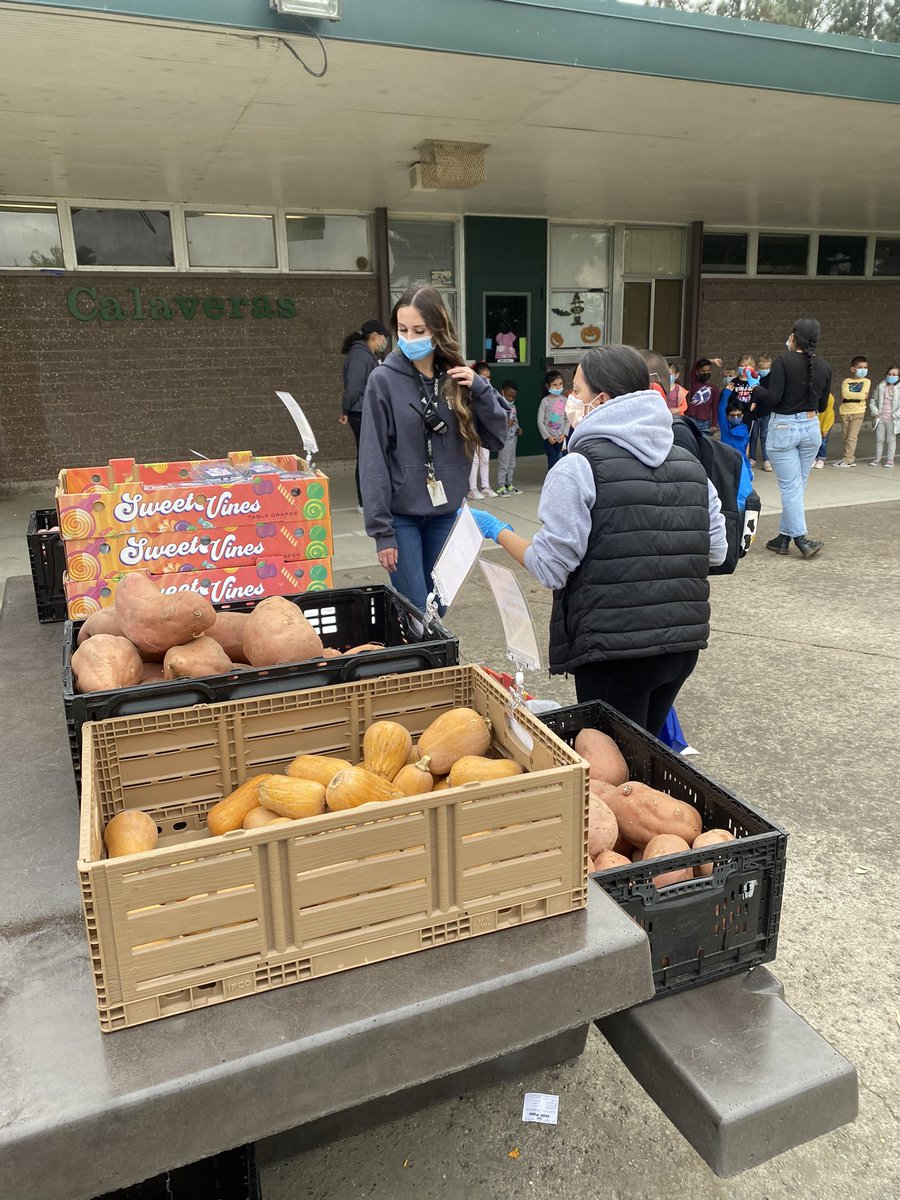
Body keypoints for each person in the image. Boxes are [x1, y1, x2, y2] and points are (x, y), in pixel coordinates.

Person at [468, 345, 727, 734]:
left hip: (612, 651)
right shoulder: (690, 464)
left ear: (600, 400)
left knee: (613, 770)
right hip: (682, 646)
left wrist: (497, 530)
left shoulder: (579, 466)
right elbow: (716, 551)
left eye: (576, 391)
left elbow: (550, 567)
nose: (570, 400)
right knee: (645, 759)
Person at [359, 286, 507, 612]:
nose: (409, 338)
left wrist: (480, 389)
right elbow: (372, 458)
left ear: (438, 330)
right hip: (402, 517)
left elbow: (495, 439)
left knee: (438, 608)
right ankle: (418, 662)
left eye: (419, 331)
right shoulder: (383, 380)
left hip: (446, 513)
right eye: (402, 330)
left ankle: (430, 661)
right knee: (415, 608)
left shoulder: (458, 377)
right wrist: (381, 532)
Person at [755, 318, 831, 559]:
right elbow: (821, 404)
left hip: (784, 428)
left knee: (790, 487)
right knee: (797, 486)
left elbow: (774, 398)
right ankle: (782, 538)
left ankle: (801, 539)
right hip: (811, 427)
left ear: (793, 337)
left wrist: (756, 389)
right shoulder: (824, 367)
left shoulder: (783, 361)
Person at [340, 318, 389, 513]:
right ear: (375, 336)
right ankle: (364, 501)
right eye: (383, 336)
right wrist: (345, 409)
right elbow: (353, 387)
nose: (385, 341)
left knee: (370, 456)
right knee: (367, 457)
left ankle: (369, 500)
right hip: (361, 412)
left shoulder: (365, 354)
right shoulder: (360, 356)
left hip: (364, 411)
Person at [834, 355, 870, 468]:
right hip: (845, 412)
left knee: (852, 437)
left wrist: (856, 396)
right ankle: (851, 457)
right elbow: (845, 394)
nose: (863, 370)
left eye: (865, 367)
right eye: (860, 367)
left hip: (858, 412)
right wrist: (859, 395)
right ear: (853, 369)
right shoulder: (846, 381)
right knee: (845, 437)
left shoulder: (866, 381)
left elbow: (864, 396)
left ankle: (848, 459)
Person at [467, 361, 497, 498]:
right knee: (474, 460)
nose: (486, 380)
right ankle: (472, 488)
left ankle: (486, 486)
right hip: (473, 430)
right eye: (483, 378)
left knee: (485, 459)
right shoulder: (469, 393)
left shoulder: (489, 393)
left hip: (485, 430)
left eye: (488, 377)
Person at [869, 364, 900, 468]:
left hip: (892, 419)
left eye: (894, 374)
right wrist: (876, 412)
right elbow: (873, 400)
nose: (891, 376)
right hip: (880, 417)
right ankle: (877, 459)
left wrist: (895, 414)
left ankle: (890, 460)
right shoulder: (881, 386)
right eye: (889, 374)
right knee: (879, 439)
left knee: (891, 440)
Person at [537, 370, 570, 468]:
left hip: (561, 438)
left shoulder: (564, 400)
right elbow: (540, 421)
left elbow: (567, 419)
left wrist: (564, 434)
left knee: (562, 461)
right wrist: (548, 437)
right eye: (555, 384)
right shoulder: (545, 401)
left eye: (560, 384)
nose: (558, 387)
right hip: (549, 439)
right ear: (548, 386)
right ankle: (552, 482)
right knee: (552, 462)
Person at [496, 379, 523, 494]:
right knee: (504, 463)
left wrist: (518, 428)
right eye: (508, 396)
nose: (511, 399)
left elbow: (515, 420)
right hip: (504, 439)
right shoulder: (499, 406)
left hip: (513, 437)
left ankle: (509, 484)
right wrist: (505, 424)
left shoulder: (513, 407)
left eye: (513, 397)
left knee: (512, 463)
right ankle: (501, 486)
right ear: (502, 392)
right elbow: (496, 423)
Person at [750, 353, 774, 471]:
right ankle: (752, 458)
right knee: (753, 435)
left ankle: (766, 459)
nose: (765, 370)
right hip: (755, 412)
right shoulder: (754, 379)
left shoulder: (772, 379)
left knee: (765, 436)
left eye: (767, 368)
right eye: (762, 368)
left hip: (767, 412)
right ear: (757, 368)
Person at [687, 358, 719, 433]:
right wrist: (712, 360)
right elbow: (696, 362)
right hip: (692, 419)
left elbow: (715, 408)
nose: (706, 373)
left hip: (705, 422)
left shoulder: (714, 389)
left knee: (704, 442)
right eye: (703, 371)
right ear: (697, 372)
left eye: (708, 371)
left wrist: (714, 424)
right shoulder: (694, 382)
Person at [814, 390, 836, 468]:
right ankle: (814, 457)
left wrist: (825, 428)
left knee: (823, 441)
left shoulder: (829, 398)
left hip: (826, 421)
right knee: (814, 440)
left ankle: (821, 458)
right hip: (815, 422)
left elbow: (828, 413)